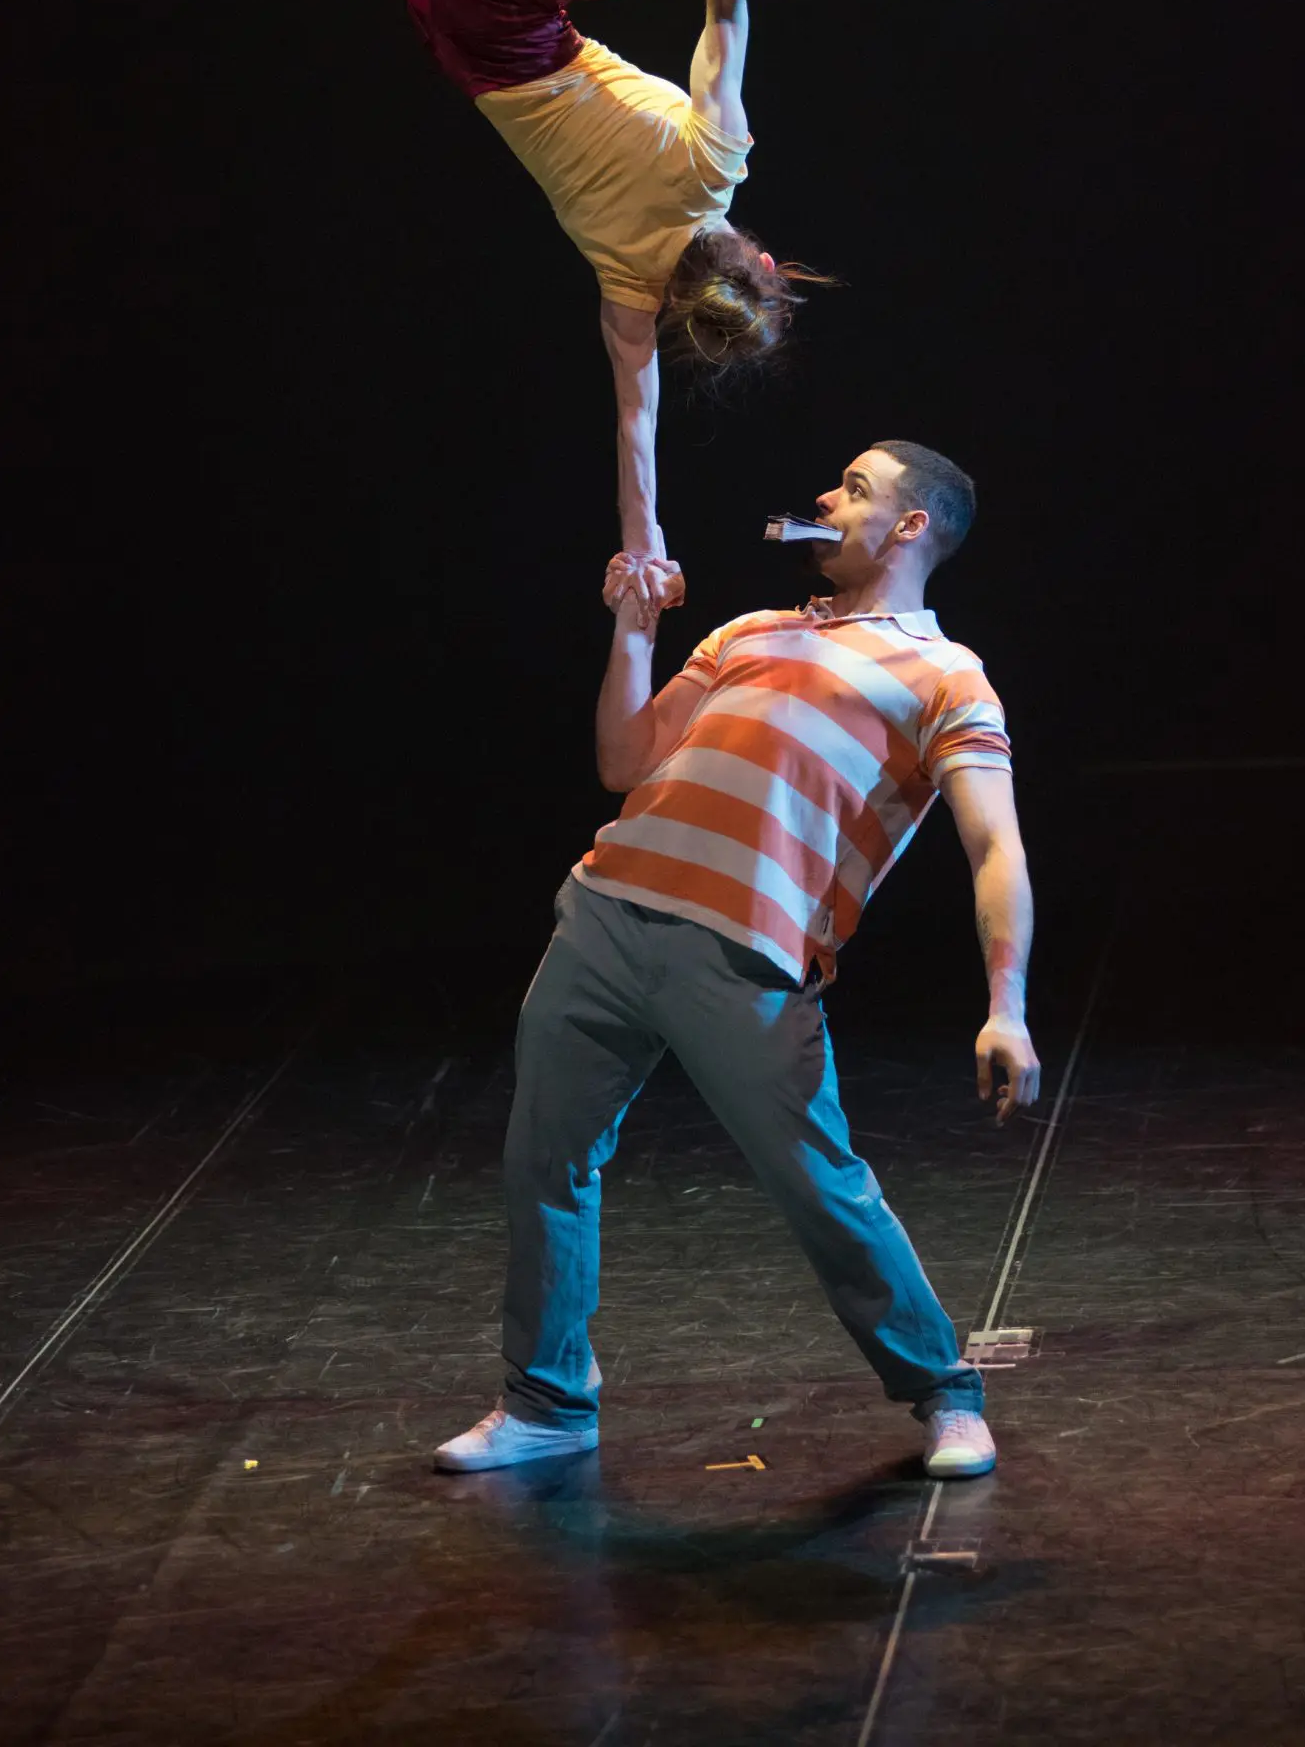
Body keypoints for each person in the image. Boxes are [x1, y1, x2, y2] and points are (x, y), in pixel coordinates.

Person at [434, 440, 1041, 1481]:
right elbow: (625, 763)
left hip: (748, 958)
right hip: (607, 916)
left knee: (819, 1185)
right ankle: (546, 1402)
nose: (823, 496)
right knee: (546, 1163)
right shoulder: (748, 630)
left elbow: (994, 845)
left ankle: (946, 1392)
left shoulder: (945, 674)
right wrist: (635, 631)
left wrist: (1006, 1003)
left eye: (855, 488)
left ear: (911, 527)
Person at [402, 0, 1002, 622]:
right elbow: (633, 429)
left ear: (758, 259)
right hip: (449, 16)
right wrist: (644, 544)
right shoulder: (629, 291)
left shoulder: (714, 167)